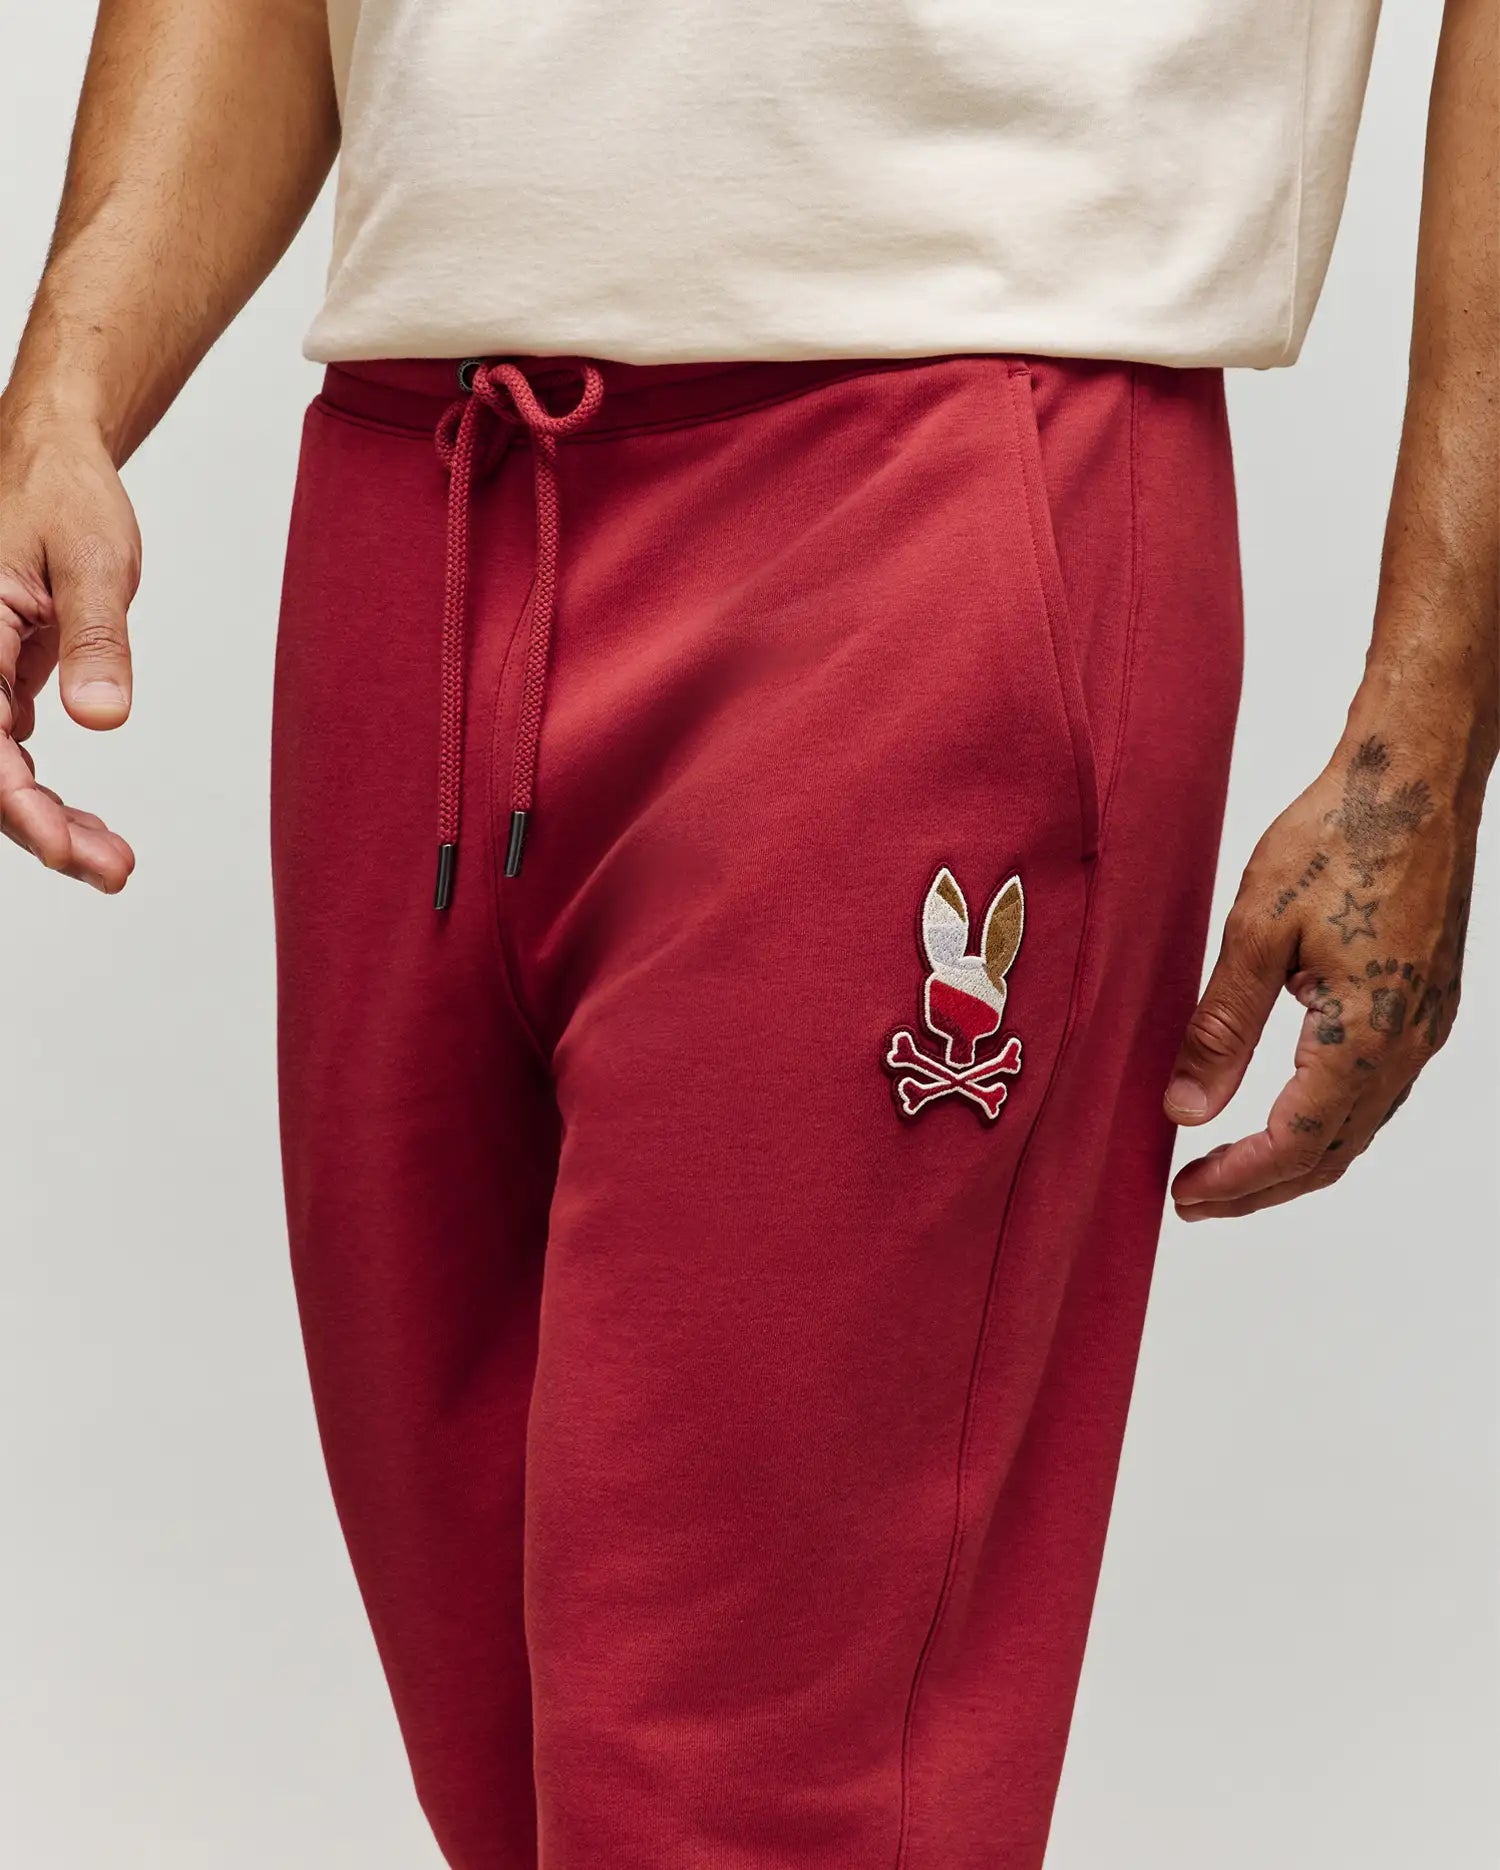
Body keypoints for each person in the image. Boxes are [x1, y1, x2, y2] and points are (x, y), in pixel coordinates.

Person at [1, 2, 1493, 1864]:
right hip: (417, 501)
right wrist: (63, 394)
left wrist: (1429, 720)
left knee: (745, 1807)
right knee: (508, 1772)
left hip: (929, 496)